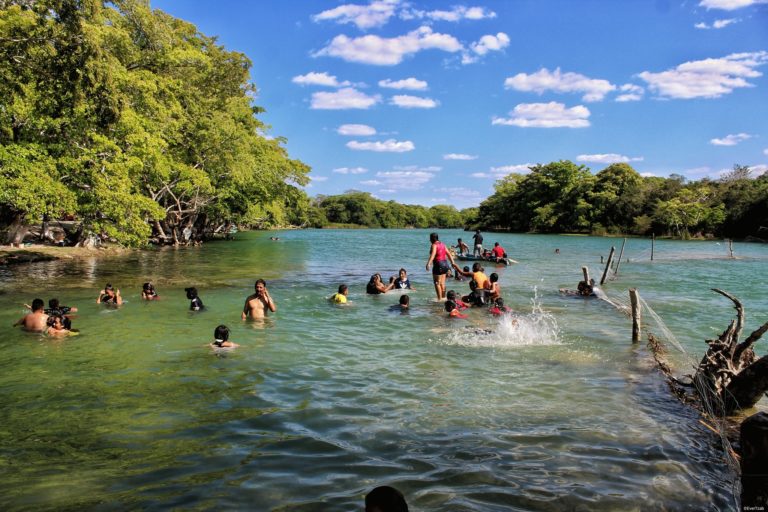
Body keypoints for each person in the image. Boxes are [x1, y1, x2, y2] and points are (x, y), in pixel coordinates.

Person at [425, 232, 456, 300]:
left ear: (432, 239)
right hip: (445, 264)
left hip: (438, 264)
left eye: (430, 239)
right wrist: (452, 263)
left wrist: (428, 263)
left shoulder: (434, 245)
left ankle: (439, 299)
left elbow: (433, 254)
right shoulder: (443, 244)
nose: (430, 240)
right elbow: (448, 254)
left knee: (437, 283)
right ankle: (444, 297)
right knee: (442, 283)